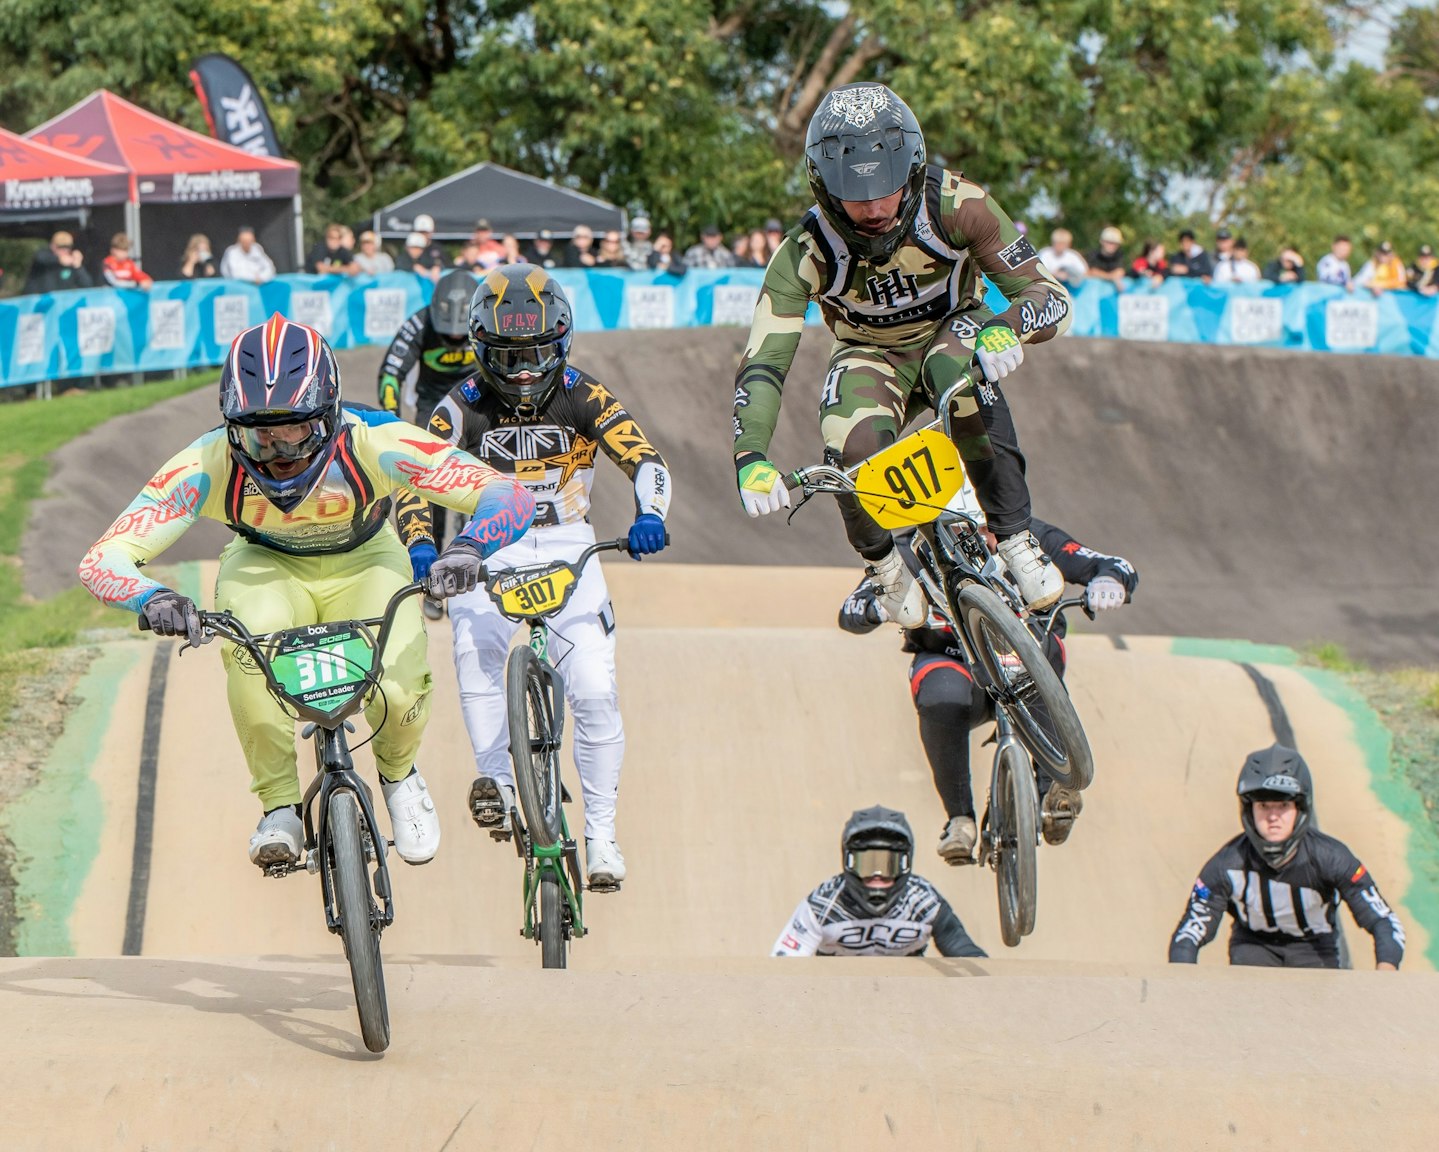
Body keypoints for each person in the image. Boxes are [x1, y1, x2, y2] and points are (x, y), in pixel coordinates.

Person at [78, 314, 535, 869]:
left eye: (295, 431)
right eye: (258, 435)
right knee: (251, 656)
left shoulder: (376, 442)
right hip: (266, 562)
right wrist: (151, 598)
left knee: (397, 679)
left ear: (331, 415)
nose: (279, 453)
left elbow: (506, 495)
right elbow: (103, 558)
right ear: (230, 427)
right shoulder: (206, 461)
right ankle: (279, 807)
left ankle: (399, 777)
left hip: (366, 559)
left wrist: (467, 549)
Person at [732, 81, 1073, 618]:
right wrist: (749, 455)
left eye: (886, 189)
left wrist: (1010, 325)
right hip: (871, 355)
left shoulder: (961, 204)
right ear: (823, 186)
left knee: (957, 377)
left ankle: (1014, 538)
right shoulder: (804, 250)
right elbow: (764, 361)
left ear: (913, 172)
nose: (872, 208)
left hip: (957, 330)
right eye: (854, 193)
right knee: (846, 446)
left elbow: (1049, 294)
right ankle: (886, 571)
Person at [396, 265, 673, 889]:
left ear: (562, 342)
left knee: (597, 692)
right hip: (485, 550)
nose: (524, 370)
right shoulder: (458, 407)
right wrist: (421, 546)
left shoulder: (586, 393)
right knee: (473, 650)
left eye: (538, 353)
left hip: (571, 543)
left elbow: (645, 458)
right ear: (480, 349)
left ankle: (602, 835)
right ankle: (495, 778)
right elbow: (413, 481)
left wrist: (650, 513)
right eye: (509, 355)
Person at [839, 491, 1137, 859]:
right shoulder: (909, 552)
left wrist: (1108, 582)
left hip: (1027, 657)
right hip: (953, 663)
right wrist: (876, 607)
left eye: (986, 528)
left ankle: (1055, 790)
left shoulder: (1029, 538)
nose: (979, 540)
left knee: (1039, 653)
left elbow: (1110, 564)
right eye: (964, 530)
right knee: (939, 695)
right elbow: (850, 609)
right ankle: (960, 819)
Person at [1169, 746, 1404, 970]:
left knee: (1322, 1005)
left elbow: (1383, 920)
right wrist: (1181, 983)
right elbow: (1190, 931)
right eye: (1263, 805)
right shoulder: (1226, 864)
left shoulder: (1332, 857)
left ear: (1300, 808)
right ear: (1248, 810)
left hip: (1314, 949)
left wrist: (1386, 974)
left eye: (1282, 805)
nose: (1273, 817)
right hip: (1253, 947)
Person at [377, 269, 482, 618]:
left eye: (459, 334)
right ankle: (434, 585)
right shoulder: (418, 323)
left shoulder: (485, 318)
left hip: (477, 408)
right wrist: (391, 418)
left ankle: (474, 575)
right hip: (432, 411)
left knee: (477, 492)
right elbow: (391, 373)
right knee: (430, 496)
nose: (453, 338)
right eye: (446, 333)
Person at [772, 806, 985, 957]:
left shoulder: (925, 902)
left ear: (905, 864)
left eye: (887, 865)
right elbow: (784, 968)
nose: (877, 876)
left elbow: (966, 956)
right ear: (848, 862)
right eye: (866, 865)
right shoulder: (822, 905)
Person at [23, 230, 93, 294]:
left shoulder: (71, 263)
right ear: (53, 246)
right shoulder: (44, 256)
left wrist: (78, 266)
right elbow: (40, 257)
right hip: (40, 304)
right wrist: (58, 260)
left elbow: (87, 285)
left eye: (67, 247)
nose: (64, 250)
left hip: (61, 303)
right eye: (61, 247)